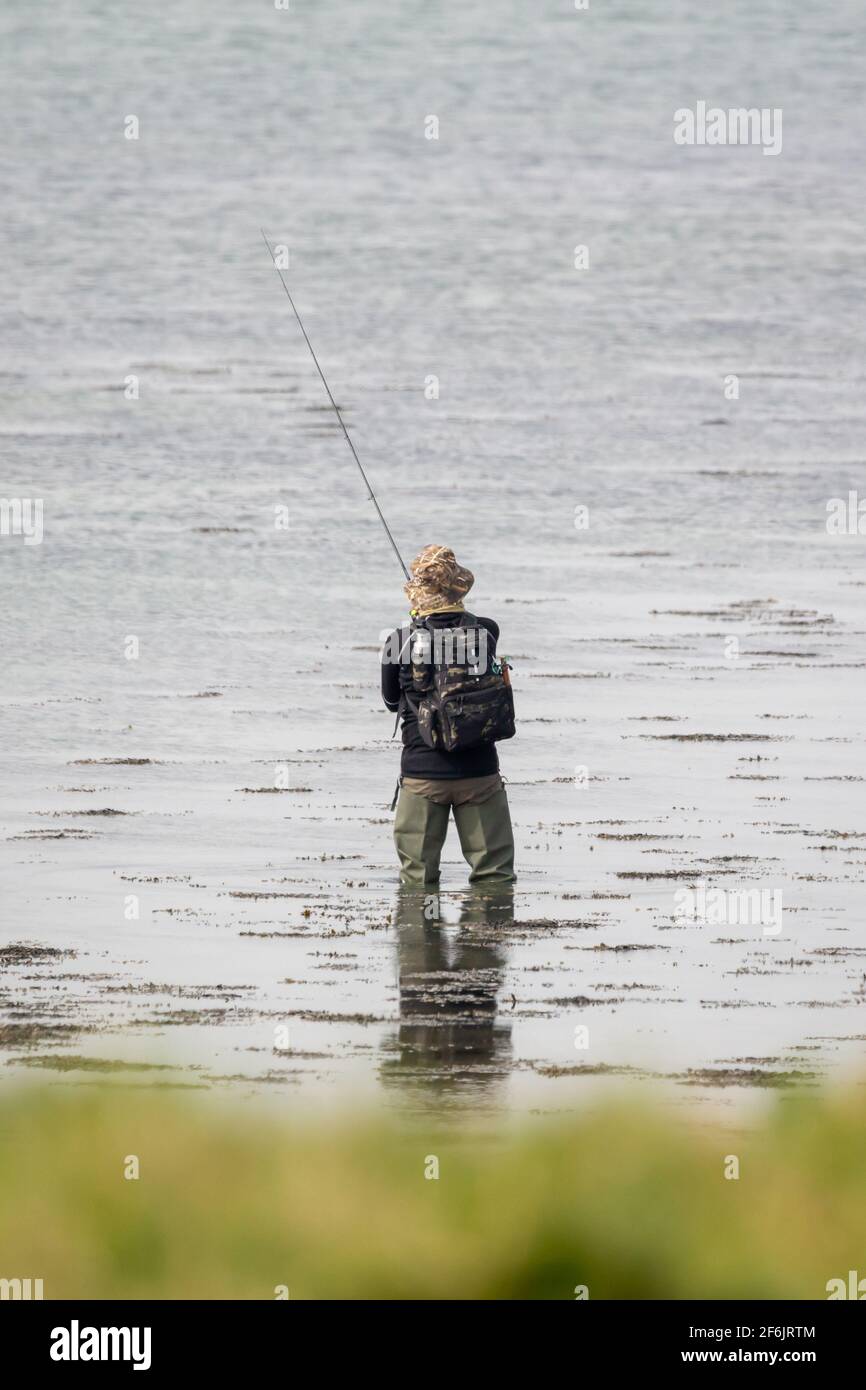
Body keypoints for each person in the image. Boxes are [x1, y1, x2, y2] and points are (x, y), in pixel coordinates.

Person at [381, 544, 516, 886]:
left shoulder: (399, 640)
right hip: (480, 773)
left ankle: (422, 937)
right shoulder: (487, 631)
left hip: (423, 774)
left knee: (417, 881)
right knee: (494, 878)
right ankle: (486, 935)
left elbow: (391, 701)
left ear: (417, 592)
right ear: (459, 586)